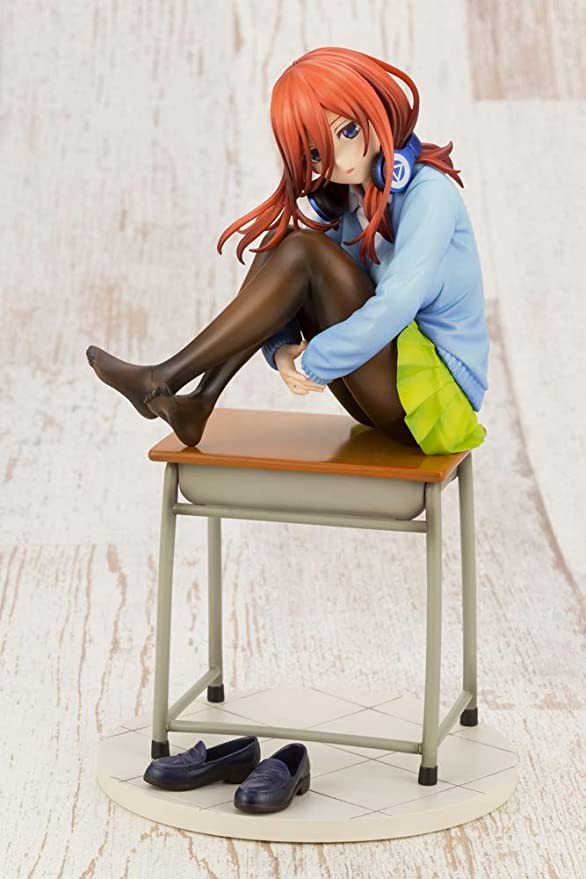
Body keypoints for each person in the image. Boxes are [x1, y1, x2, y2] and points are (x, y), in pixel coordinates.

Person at [86, 46, 489, 454]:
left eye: (349, 131)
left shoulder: (429, 194)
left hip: (435, 404)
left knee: (304, 251)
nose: (341, 159)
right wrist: (281, 347)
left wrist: (319, 358)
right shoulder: (354, 199)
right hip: (382, 396)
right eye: (317, 153)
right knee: (280, 243)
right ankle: (201, 401)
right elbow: (303, 283)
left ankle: (162, 378)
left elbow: (398, 302)